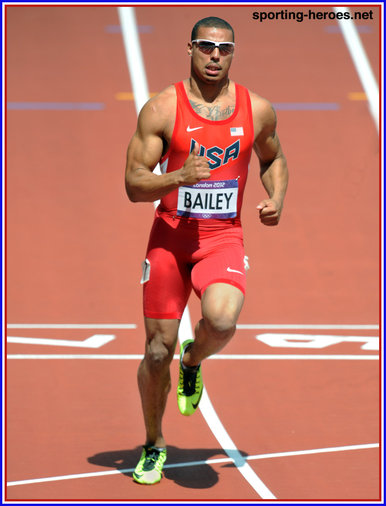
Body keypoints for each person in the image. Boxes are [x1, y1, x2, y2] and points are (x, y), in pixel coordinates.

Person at [124, 16, 288, 485]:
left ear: (233, 53)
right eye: (206, 46)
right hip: (171, 239)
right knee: (157, 352)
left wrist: (276, 198)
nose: (215, 56)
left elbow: (273, 158)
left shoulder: (256, 110)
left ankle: (193, 362)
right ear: (190, 49)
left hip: (222, 237)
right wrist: (176, 177)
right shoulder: (161, 109)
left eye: (224, 49)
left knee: (221, 320)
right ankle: (154, 444)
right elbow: (134, 183)